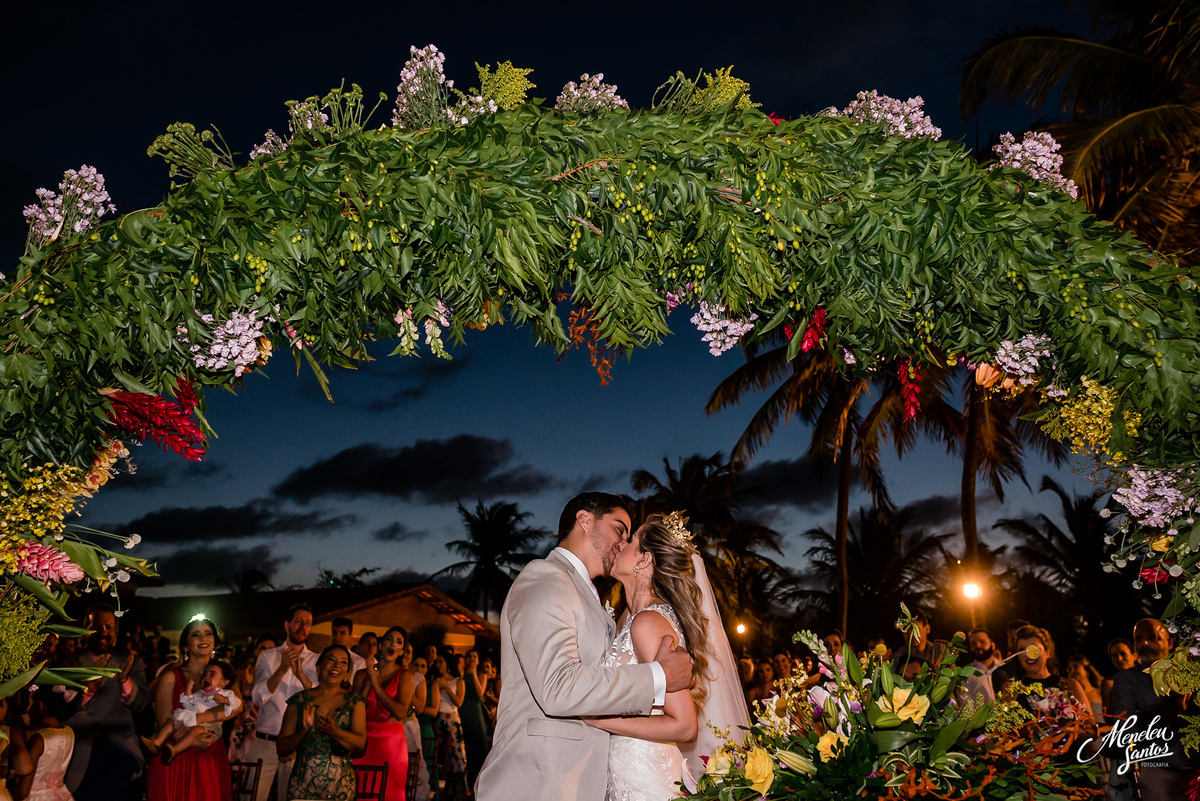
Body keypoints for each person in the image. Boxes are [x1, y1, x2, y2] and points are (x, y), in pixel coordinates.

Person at [475, 492, 693, 801]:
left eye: (630, 537)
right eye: (620, 529)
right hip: (540, 781)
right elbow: (557, 687)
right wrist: (658, 677)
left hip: (584, 781)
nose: (623, 542)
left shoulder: (593, 600)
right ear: (585, 520)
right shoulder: (546, 578)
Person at [584, 512, 746, 801]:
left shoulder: (648, 623)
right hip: (621, 770)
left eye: (631, 540)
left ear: (644, 560)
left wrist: (600, 720)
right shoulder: (629, 618)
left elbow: (685, 725)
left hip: (644, 777)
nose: (621, 543)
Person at [64, 604, 149, 801]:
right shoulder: (70, 662)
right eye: (98, 627)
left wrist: (125, 682)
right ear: (86, 628)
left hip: (119, 747)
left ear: (116, 630)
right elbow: (58, 710)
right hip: (78, 749)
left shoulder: (128, 660)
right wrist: (86, 690)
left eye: (109, 627)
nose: (103, 633)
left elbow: (143, 703)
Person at [1108, 618, 1197, 800]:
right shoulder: (1127, 680)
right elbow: (1126, 730)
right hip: (1161, 773)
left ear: (1170, 642)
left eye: (1153, 637)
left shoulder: (1190, 672)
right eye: (1138, 639)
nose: (1144, 643)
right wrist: (1173, 709)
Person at [146, 618, 235, 801]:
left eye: (208, 633)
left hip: (210, 757)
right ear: (185, 645)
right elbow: (162, 722)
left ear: (214, 642)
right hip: (176, 759)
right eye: (196, 634)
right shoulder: (171, 676)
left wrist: (198, 722)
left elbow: (237, 707)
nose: (203, 638)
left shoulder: (224, 674)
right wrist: (190, 740)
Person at [277, 645, 366, 801]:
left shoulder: (354, 701)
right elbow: (281, 748)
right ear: (319, 666)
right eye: (331, 659)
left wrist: (334, 731)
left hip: (341, 790)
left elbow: (360, 744)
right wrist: (303, 731)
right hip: (302, 788)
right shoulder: (300, 700)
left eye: (343, 662)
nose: (337, 665)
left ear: (347, 671)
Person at [249, 604, 318, 801]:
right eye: (298, 621)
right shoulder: (268, 656)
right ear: (287, 624)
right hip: (265, 742)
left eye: (308, 624)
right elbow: (257, 698)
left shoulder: (316, 661)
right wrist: (281, 669)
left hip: (298, 746)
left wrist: (300, 675)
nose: (303, 627)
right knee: (253, 796)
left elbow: (318, 699)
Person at [352, 626, 413, 801]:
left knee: (389, 793)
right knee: (360, 792)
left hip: (391, 743)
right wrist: (370, 680)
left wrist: (377, 686)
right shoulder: (361, 674)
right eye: (389, 639)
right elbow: (355, 708)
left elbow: (400, 711)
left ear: (401, 651)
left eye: (398, 642)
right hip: (363, 739)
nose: (393, 644)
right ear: (381, 645)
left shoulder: (405, 676)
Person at [143, 659, 240, 764]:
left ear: (224, 682)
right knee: (172, 720)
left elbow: (237, 704)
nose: (206, 677)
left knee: (194, 732)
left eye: (212, 675)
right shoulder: (200, 694)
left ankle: (173, 751)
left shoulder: (225, 693)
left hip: (209, 726)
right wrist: (188, 690)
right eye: (204, 675)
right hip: (190, 719)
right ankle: (156, 743)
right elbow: (188, 704)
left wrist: (226, 700)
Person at [22, 685, 78, 801]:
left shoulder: (39, 739)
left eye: (30, 704)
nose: (28, 710)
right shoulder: (69, 731)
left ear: (39, 706)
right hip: (59, 795)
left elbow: (23, 790)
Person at [432, 653, 468, 801]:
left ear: (448, 663)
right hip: (437, 719)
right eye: (436, 662)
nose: (437, 664)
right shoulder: (434, 681)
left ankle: (459, 791)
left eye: (440, 661)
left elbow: (459, 702)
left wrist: (446, 687)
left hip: (451, 719)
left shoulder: (458, 681)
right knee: (440, 756)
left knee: (456, 755)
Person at [459, 649, 490, 788]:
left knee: (480, 747)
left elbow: (480, 693)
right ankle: (468, 783)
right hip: (464, 712)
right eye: (469, 656)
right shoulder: (460, 675)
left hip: (476, 714)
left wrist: (473, 674)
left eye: (474, 656)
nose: (472, 658)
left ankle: (482, 783)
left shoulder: (481, 675)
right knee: (467, 748)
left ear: (478, 660)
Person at [962, 628, 1008, 704]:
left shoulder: (1004, 668)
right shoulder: (967, 674)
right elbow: (965, 704)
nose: (978, 646)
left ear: (992, 645)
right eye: (973, 643)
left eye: (982, 642)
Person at [1101, 637, 1135, 711]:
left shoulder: (1146, 678)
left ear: (1134, 655)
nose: (1119, 659)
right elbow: (1107, 715)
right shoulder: (1109, 684)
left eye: (1123, 654)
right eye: (1114, 656)